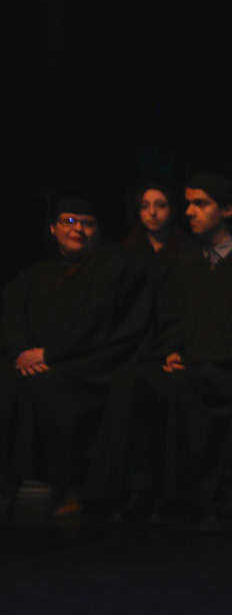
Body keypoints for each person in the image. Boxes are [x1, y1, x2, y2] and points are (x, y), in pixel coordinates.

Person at [92, 172, 232, 519]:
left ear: (226, 210)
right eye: (189, 203)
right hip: (191, 362)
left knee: (186, 386)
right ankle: (136, 490)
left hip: (231, 368)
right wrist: (173, 351)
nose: (190, 211)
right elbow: (172, 317)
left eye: (201, 204)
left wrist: (196, 357)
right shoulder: (186, 260)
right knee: (132, 384)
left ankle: (183, 496)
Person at [2, 196, 149, 516]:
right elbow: (10, 318)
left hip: (84, 366)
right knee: (7, 383)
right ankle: (6, 486)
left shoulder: (111, 268)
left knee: (49, 390)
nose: (78, 229)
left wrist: (50, 355)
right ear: (53, 228)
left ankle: (67, 487)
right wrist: (23, 353)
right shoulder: (34, 275)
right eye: (69, 221)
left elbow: (98, 325)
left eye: (87, 223)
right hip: (34, 362)